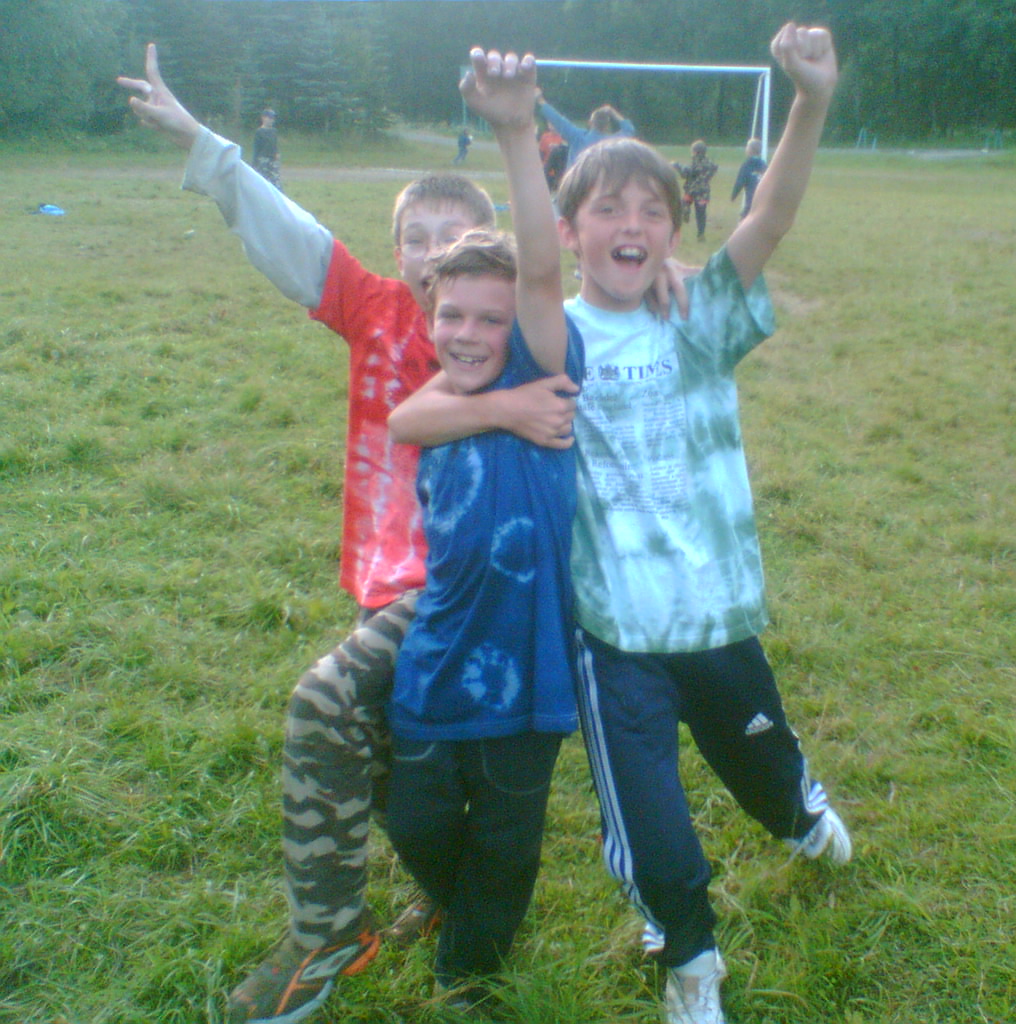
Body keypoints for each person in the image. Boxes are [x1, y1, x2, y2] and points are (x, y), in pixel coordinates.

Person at [118, 44, 577, 1024]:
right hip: (384, 589)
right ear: (398, 252)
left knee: (325, 706)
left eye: (454, 236)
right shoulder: (373, 311)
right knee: (395, 767)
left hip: (453, 590)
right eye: (414, 236)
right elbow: (282, 229)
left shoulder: (505, 337)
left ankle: (328, 934)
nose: (431, 252)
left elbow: (552, 283)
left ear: (484, 254)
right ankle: (454, 895)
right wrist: (201, 141)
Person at [397, 23, 846, 1024]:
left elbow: (770, 217)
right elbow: (529, 280)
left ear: (673, 232)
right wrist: (515, 132)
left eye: (651, 209)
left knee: (761, 763)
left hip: (716, 614)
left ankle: (799, 813)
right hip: (613, 636)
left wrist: (811, 99)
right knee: (649, 823)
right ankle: (690, 956)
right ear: (572, 230)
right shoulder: (556, 337)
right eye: (607, 209)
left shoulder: (699, 314)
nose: (631, 223)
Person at [383, 46, 582, 1006]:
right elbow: (403, 420)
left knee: (508, 837)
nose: (468, 334)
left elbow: (539, 269)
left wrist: (514, 131)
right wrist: (485, 404)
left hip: (527, 672)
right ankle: (461, 908)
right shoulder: (443, 401)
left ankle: (471, 973)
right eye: (451, 315)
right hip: (436, 655)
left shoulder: (543, 379)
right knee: (414, 815)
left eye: (489, 321)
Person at [535, 90, 634, 168]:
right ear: (607, 126)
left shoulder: (577, 136)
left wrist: (540, 100)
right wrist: (612, 111)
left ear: (590, 123)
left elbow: (557, 119)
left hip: (576, 185)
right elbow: (629, 130)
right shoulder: (612, 142)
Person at [674, 139, 719, 241]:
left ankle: (686, 213)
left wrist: (677, 166)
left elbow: (685, 174)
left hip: (691, 190)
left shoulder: (695, 162)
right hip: (704, 192)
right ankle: (701, 234)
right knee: (701, 214)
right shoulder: (709, 163)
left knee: (684, 203)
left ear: (695, 152)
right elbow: (713, 169)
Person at [730, 138, 767, 219]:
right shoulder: (763, 164)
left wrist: (733, 195)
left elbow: (740, 182)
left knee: (745, 220)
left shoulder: (747, 165)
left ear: (750, 150)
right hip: (763, 200)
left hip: (751, 199)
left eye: (747, 146)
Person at [251, 108, 282, 189]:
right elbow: (256, 148)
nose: (272, 120)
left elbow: (274, 145)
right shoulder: (259, 132)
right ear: (263, 118)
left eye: (273, 118)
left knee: (276, 181)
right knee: (263, 181)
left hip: (273, 160)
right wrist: (254, 163)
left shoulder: (274, 131)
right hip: (263, 160)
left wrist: (277, 153)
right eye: (270, 118)